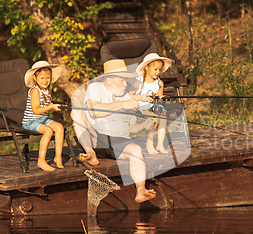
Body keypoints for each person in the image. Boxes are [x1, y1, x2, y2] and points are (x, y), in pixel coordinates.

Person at [72, 59, 156, 203]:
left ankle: (141, 190)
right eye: (122, 80)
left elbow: (132, 128)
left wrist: (144, 126)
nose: (125, 84)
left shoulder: (128, 97)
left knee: (136, 149)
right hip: (95, 138)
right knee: (76, 113)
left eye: (126, 81)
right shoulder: (96, 88)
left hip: (119, 141)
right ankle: (91, 154)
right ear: (109, 80)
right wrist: (122, 104)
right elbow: (94, 111)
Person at [22, 61, 64, 172]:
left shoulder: (46, 90)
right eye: (42, 78)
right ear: (35, 78)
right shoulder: (35, 91)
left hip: (43, 119)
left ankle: (58, 157)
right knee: (48, 131)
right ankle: (41, 161)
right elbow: (36, 110)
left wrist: (52, 105)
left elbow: (46, 104)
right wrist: (51, 108)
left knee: (59, 127)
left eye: (48, 78)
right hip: (31, 121)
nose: (45, 81)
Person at [133, 53, 172, 154]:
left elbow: (160, 99)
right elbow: (129, 95)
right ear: (146, 68)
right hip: (141, 106)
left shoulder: (160, 83)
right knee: (154, 118)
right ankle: (149, 144)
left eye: (160, 69)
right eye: (155, 69)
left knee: (163, 117)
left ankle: (160, 144)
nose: (158, 72)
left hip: (154, 106)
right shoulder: (139, 82)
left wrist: (159, 99)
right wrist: (142, 98)